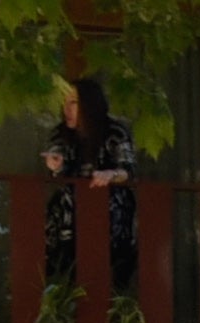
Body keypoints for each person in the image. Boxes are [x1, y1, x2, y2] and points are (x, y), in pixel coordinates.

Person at [42, 77, 139, 287]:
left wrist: (110, 175)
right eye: (64, 102)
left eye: (73, 102)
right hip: (70, 223)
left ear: (90, 104)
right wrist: (55, 165)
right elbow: (58, 164)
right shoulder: (61, 133)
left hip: (110, 221)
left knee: (107, 281)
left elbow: (128, 170)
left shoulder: (115, 132)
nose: (66, 109)